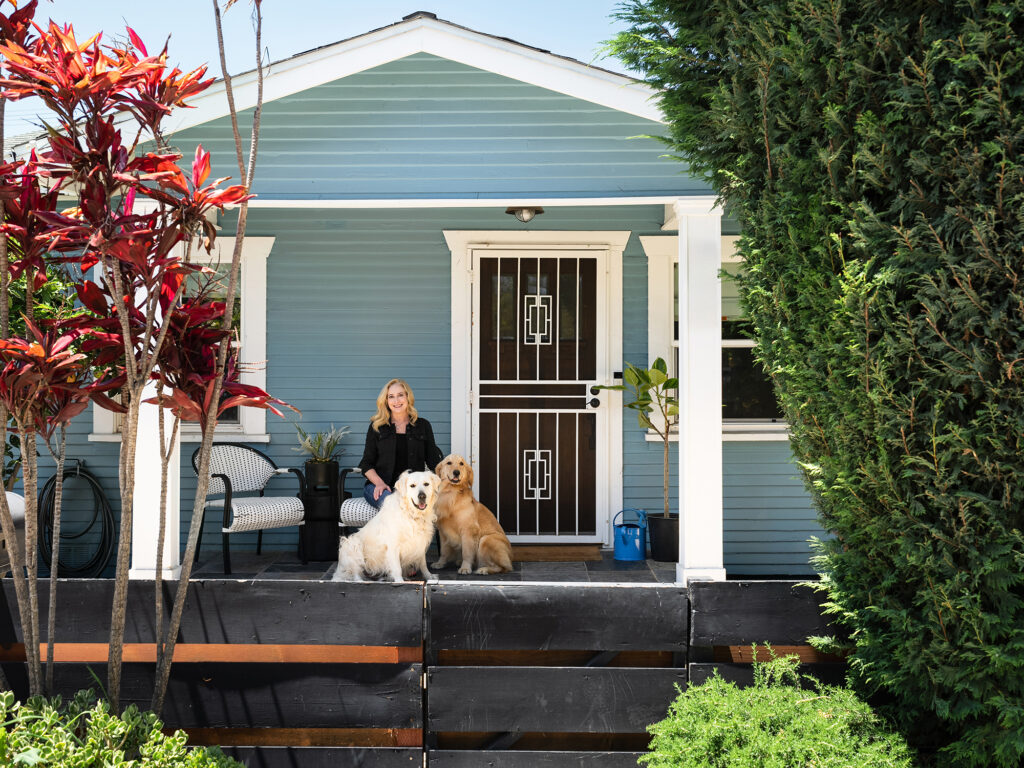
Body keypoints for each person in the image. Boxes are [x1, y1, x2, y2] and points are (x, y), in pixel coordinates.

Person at [358, 378, 445, 508]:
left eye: (400, 395)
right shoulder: (377, 427)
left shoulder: (423, 425)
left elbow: (434, 462)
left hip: (413, 488)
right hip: (383, 487)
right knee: (393, 504)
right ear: (386, 401)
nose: (396, 401)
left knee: (412, 503)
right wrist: (379, 483)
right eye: (391, 397)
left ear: (408, 398)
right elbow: (366, 463)